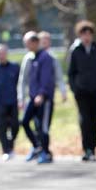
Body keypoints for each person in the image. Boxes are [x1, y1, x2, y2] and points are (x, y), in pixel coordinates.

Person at [68, 20, 96, 161]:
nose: (86, 37)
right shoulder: (75, 50)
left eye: (89, 34)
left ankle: (93, 146)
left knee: (94, 119)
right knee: (84, 119)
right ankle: (87, 149)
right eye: (84, 34)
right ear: (80, 35)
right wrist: (75, 88)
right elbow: (71, 72)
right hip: (82, 92)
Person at [21, 31, 56, 164]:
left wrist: (41, 94)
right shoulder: (32, 58)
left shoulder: (45, 57)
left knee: (43, 127)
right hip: (33, 97)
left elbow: (46, 79)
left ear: (35, 42)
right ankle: (37, 146)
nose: (26, 46)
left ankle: (45, 153)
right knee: (25, 122)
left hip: (44, 99)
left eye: (28, 43)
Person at [0, 44, 20, 161]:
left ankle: (10, 145)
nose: (1, 56)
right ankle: (6, 150)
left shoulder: (15, 67)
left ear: (6, 53)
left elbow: (20, 84)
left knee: (15, 125)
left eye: (3, 53)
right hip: (0, 103)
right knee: (2, 128)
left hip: (13, 101)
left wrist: (21, 100)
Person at [38, 31, 67, 104]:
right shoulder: (31, 57)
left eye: (46, 41)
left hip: (48, 93)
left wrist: (63, 91)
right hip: (34, 92)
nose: (44, 43)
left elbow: (59, 76)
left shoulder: (53, 57)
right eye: (42, 41)